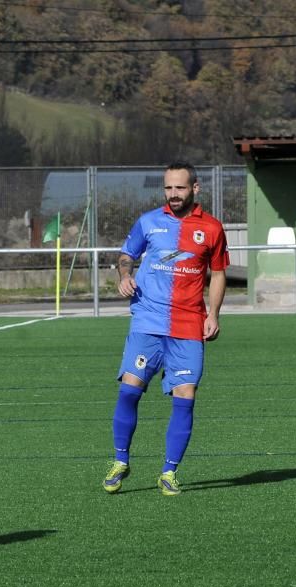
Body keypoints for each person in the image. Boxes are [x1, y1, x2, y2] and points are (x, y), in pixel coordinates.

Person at [103, 162, 228, 496]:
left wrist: (213, 314)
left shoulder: (212, 229)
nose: (173, 194)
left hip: (188, 325)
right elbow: (126, 254)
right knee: (129, 390)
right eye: (168, 188)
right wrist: (124, 275)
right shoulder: (149, 222)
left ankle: (169, 472)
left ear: (195, 189)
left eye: (180, 188)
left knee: (185, 397)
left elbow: (217, 274)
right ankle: (120, 461)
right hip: (148, 321)